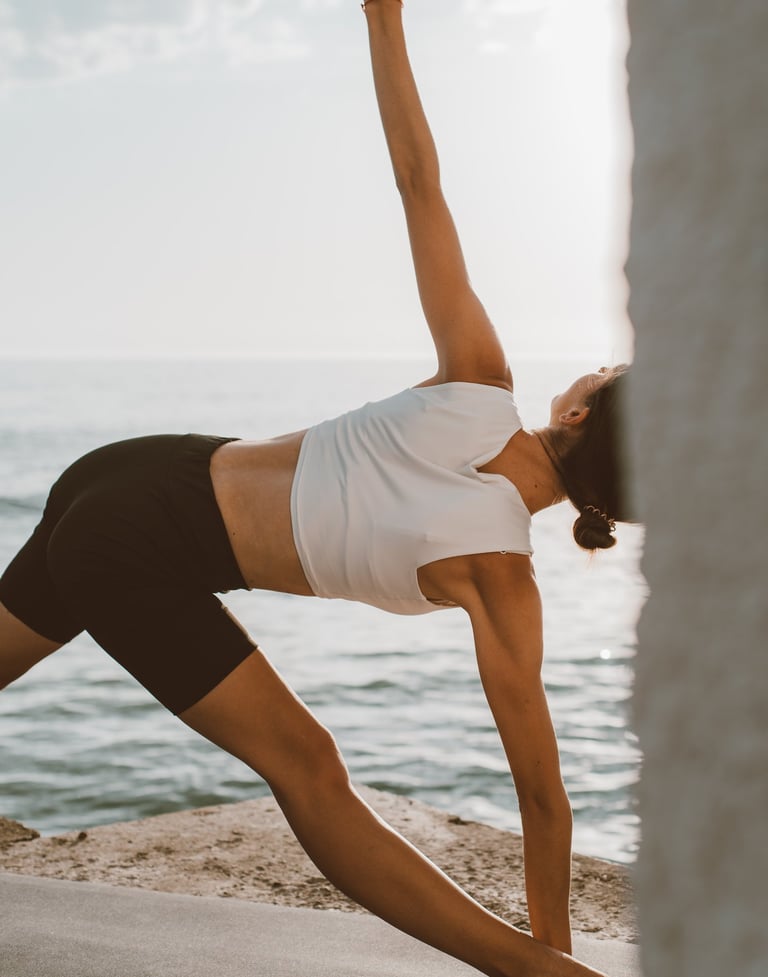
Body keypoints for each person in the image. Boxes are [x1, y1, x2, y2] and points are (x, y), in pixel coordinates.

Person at [0, 3, 631, 976]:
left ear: (581, 415)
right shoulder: (501, 575)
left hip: (137, 475)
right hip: (142, 535)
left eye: (605, 371)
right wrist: (551, 946)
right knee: (311, 769)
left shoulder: (476, 379)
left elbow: (418, 177)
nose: (594, 365)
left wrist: (384, 19)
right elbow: (542, 795)